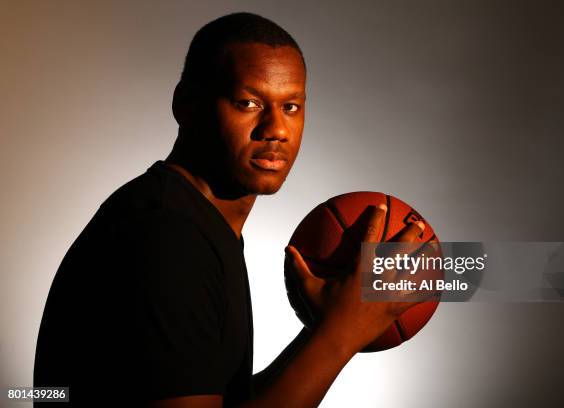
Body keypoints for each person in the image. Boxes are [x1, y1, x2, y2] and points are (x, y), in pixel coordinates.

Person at [34, 12, 427, 408]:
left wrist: (327, 327)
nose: (275, 128)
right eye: (249, 102)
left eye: (291, 106)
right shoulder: (167, 238)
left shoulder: (196, 221)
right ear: (186, 105)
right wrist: (340, 333)